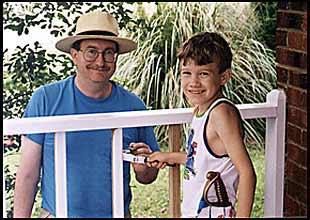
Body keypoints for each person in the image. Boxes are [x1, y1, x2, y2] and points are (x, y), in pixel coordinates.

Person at [13, 11, 160, 218]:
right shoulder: (45, 99)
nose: (100, 61)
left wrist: (145, 168)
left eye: (109, 53)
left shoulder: (134, 106)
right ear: (75, 55)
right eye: (91, 52)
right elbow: (28, 174)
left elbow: (148, 176)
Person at [147, 32, 256, 218]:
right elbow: (202, 159)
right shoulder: (200, 110)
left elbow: (247, 172)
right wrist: (170, 156)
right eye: (187, 73)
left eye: (203, 73)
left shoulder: (221, 113)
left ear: (223, 77)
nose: (194, 82)